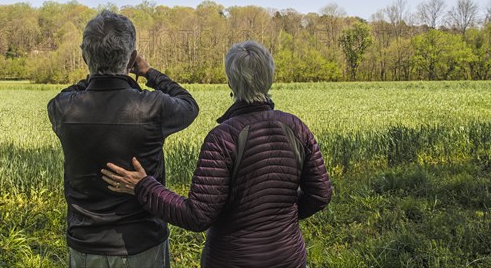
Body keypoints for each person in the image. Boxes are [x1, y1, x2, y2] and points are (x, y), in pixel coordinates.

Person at [101, 40, 332, 268]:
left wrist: (143, 186)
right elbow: (321, 194)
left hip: (231, 259)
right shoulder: (296, 127)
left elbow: (197, 216)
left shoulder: (223, 138)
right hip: (289, 257)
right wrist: (280, 219)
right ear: (269, 77)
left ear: (230, 81)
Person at [47, 10, 199, 268]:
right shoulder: (153, 106)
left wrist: (95, 72)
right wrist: (148, 72)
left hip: (86, 244)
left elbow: (72, 91)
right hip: (141, 243)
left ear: (85, 57)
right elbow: (188, 105)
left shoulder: (63, 109)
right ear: (130, 59)